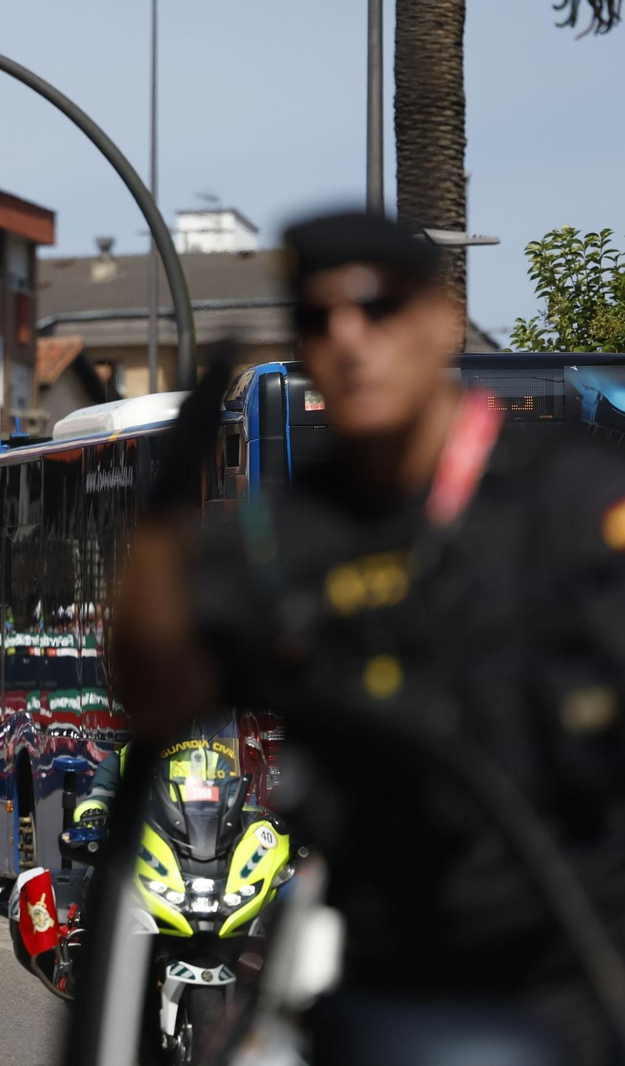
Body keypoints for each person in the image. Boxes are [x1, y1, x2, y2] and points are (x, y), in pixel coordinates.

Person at [113, 209, 625, 1065]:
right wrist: (163, 523)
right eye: (318, 319)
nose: (349, 340)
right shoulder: (282, 537)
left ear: (442, 322)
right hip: (390, 984)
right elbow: (157, 693)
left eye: (378, 307)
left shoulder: (568, 499)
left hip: (576, 977)